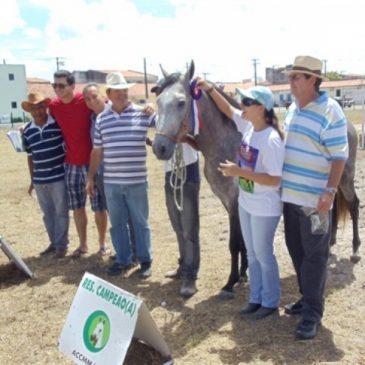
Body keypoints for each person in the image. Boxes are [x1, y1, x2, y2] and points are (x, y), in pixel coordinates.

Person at [197, 79, 285, 319]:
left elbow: (275, 180)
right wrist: (209, 89)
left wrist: (240, 172)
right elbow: (226, 109)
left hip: (264, 207)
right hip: (247, 203)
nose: (242, 105)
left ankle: (270, 301)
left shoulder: (271, 139)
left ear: (261, 108)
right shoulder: (248, 127)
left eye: (247, 102)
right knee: (253, 254)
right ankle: (255, 298)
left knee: (264, 255)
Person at [282, 56, 348, 339]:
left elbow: (339, 157)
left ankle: (312, 314)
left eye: (297, 77)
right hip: (290, 198)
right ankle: (306, 297)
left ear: (312, 80)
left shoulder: (331, 111)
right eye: (291, 76)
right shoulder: (291, 109)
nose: (291, 82)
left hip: (315, 203)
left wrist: (330, 191)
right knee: (296, 250)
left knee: (315, 256)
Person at [86, 72, 156, 278]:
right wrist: (90, 177)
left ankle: (145, 261)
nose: (123, 94)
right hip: (111, 183)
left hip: (136, 181)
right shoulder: (102, 119)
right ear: (109, 93)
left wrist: (154, 109)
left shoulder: (143, 113)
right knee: (117, 224)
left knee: (141, 223)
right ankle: (123, 259)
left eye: (125, 90)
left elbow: (164, 124)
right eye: (118, 91)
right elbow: (97, 151)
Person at [49, 70, 106, 257]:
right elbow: (46, 122)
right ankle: (83, 245)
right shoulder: (54, 107)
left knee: (98, 207)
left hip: (93, 164)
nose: (57, 89)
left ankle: (102, 243)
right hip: (71, 165)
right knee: (78, 208)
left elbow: (108, 107)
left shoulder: (86, 100)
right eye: (55, 85)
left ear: (73, 86)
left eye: (61, 85)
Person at [21, 92, 69, 258]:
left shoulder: (58, 124)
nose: (38, 111)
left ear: (46, 107)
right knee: (47, 213)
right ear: (30, 111)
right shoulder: (27, 131)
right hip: (40, 180)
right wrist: (32, 180)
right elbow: (30, 156)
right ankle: (53, 243)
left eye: (41, 107)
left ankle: (61, 246)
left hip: (58, 177)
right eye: (34, 108)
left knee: (61, 212)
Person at [163, 143, 201, 298]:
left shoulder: (193, 117)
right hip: (170, 173)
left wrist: (184, 137)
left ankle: (190, 276)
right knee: (178, 226)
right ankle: (184, 264)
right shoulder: (161, 118)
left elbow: (199, 143)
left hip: (188, 173)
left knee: (189, 228)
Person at [82, 83, 110, 256]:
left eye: (94, 96)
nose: (92, 101)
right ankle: (103, 244)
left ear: (102, 95)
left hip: (114, 173)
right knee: (99, 209)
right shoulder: (92, 119)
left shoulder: (114, 111)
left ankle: (125, 249)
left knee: (118, 213)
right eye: (87, 99)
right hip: (98, 172)